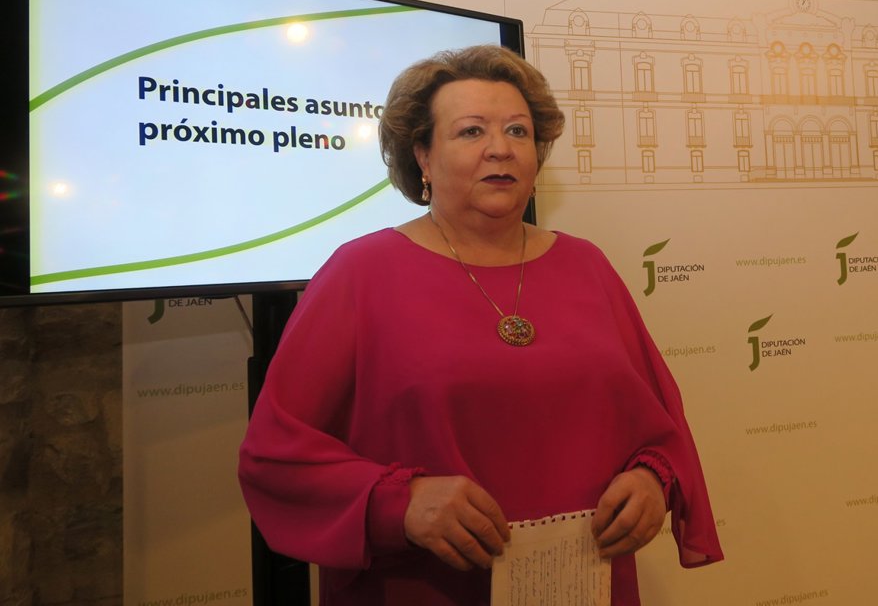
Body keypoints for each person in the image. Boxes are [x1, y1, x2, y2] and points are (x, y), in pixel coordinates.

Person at [238, 44, 723, 604]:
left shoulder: (587, 265)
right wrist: (398, 503)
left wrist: (651, 480)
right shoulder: (360, 272)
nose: (501, 148)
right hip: (422, 585)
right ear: (422, 156)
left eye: (518, 131)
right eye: (471, 131)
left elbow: (661, 427)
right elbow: (274, 455)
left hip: (580, 583)